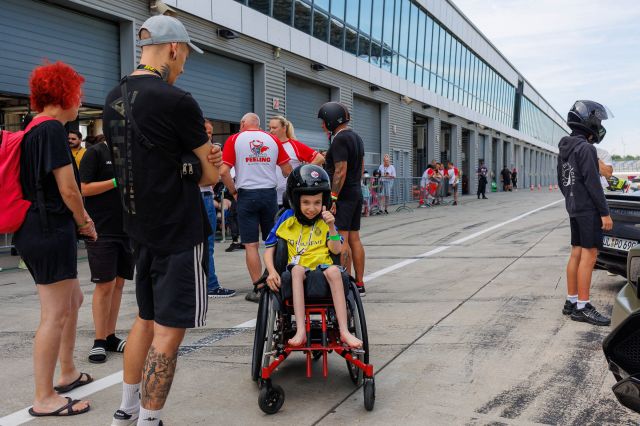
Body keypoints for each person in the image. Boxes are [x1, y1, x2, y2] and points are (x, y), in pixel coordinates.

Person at [103, 15, 222, 426]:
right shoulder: (177, 100)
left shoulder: (113, 97)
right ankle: (150, 421)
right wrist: (202, 162)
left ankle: (126, 411)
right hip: (177, 229)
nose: (185, 63)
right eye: (186, 54)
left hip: (139, 228)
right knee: (169, 333)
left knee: (145, 320)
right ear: (173, 48)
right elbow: (210, 175)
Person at [13, 61, 95, 417]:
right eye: (77, 93)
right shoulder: (50, 132)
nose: (80, 100)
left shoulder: (34, 129)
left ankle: (67, 372)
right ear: (65, 95)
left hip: (37, 227)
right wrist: (85, 222)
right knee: (54, 314)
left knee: (72, 300)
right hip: (49, 228)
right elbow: (69, 190)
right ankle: (44, 397)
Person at [264, 165, 362, 348]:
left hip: (322, 267)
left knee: (334, 271)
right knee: (297, 271)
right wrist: (270, 271)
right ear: (296, 200)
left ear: (323, 201)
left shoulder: (326, 220)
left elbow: (336, 250)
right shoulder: (287, 220)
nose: (312, 208)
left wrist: (332, 226)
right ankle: (300, 330)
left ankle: (344, 330)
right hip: (298, 267)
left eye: (317, 203)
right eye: (306, 202)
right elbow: (270, 249)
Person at [221, 113, 292, 303]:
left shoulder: (235, 139)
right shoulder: (272, 139)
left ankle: (259, 289)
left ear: (243, 123)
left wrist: (233, 191)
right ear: (259, 125)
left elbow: (223, 171)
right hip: (269, 195)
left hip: (247, 194)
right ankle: (277, 282)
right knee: (273, 241)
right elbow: (287, 170)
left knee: (251, 244)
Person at [79, 133, 134, 363]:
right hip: (102, 229)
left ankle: (110, 336)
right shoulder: (95, 152)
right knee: (105, 285)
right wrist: (115, 181)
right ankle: (99, 341)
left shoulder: (131, 156)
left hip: (127, 229)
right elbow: (83, 188)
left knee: (119, 284)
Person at [558, 100, 613, 326]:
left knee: (576, 253)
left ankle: (571, 301)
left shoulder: (564, 148)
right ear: (589, 122)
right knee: (589, 256)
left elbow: (562, 182)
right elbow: (593, 184)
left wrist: (573, 200)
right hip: (588, 210)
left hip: (573, 208)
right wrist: (605, 213)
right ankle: (582, 306)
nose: (599, 124)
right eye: (597, 120)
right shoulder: (587, 148)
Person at [318, 102, 366, 296]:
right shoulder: (356, 137)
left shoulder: (339, 140)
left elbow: (340, 171)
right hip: (356, 191)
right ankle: (360, 283)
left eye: (323, 121)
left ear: (331, 119)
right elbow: (360, 168)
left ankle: (345, 283)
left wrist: (333, 198)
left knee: (342, 238)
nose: (322, 125)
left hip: (344, 196)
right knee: (355, 238)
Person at [201, 119, 235, 298]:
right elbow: (213, 179)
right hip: (203, 198)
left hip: (201, 197)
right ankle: (211, 285)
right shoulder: (206, 150)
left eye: (211, 132)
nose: (209, 135)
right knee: (207, 245)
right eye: (206, 131)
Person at [269, 115, 325, 207]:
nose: (271, 131)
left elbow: (320, 158)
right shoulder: (268, 145)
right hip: (270, 198)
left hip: (289, 198)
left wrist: (303, 173)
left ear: (284, 128)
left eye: (274, 128)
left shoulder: (294, 145)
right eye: (270, 128)